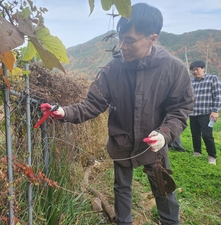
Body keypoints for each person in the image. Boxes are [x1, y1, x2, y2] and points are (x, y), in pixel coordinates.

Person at [41, 3, 194, 224]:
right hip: (122, 141)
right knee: (122, 187)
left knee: (163, 188)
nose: (122, 46)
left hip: (155, 143)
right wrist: (64, 112)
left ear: (152, 39)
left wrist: (164, 134)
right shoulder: (113, 70)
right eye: (120, 39)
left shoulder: (173, 69)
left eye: (129, 41)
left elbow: (181, 108)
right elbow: (93, 104)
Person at [189, 60, 221, 165]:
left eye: (196, 69)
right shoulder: (191, 82)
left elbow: (218, 95)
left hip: (207, 113)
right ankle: (197, 151)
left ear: (203, 69)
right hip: (193, 113)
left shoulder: (212, 79)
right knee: (195, 134)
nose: (194, 72)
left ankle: (212, 155)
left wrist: (215, 111)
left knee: (207, 135)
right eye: (192, 70)